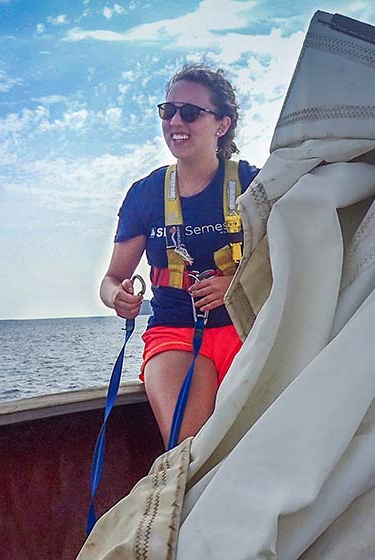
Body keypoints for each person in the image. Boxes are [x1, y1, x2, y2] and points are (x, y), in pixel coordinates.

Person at [100, 64, 258, 448]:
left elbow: (291, 260)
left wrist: (236, 285)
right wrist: (117, 298)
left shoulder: (255, 184)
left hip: (248, 331)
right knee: (193, 450)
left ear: (222, 124)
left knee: (254, 449)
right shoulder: (145, 194)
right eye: (167, 111)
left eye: (189, 112)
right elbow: (111, 279)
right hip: (175, 334)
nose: (175, 121)